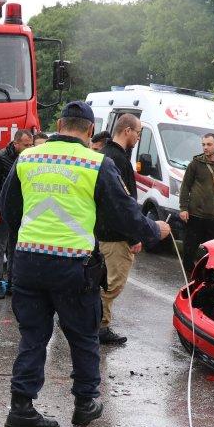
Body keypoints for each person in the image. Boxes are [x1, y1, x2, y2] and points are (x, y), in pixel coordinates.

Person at [0, 101, 170, 427]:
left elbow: (8, 208)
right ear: (90, 130)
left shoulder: (27, 158)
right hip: (72, 267)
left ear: (60, 123)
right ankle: (84, 403)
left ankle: (21, 407)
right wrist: (155, 231)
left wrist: (31, 238)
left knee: (33, 336)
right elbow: (125, 214)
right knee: (82, 335)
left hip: (29, 262)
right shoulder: (96, 164)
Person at [97, 113, 143, 345]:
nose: (138, 137)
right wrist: (135, 235)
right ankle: (99, 327)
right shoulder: (119, 160)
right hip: (116, 237)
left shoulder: (103, 155)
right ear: (127, 131)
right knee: (112, 284)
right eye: (138, 132)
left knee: (100, 281)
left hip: (100, 232)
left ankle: (92, 323)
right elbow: (125, 204)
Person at [0, 128, 34, 298]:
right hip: (2, 209)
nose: (29, 148)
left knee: (15, 248)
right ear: (16, 144)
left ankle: (13, 283)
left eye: (31, 144)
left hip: (20, 211)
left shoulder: (30, 158)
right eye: (26, 145)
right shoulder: (1, 157)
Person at [178, 133, 214, 274]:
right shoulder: (195, 164)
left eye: (209, 144)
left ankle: (208, 277)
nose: (205, 147)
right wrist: (183, 208)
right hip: (195, 215)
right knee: (189, 251)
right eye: (203, 144)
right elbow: (185, 186)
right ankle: (189, 277)